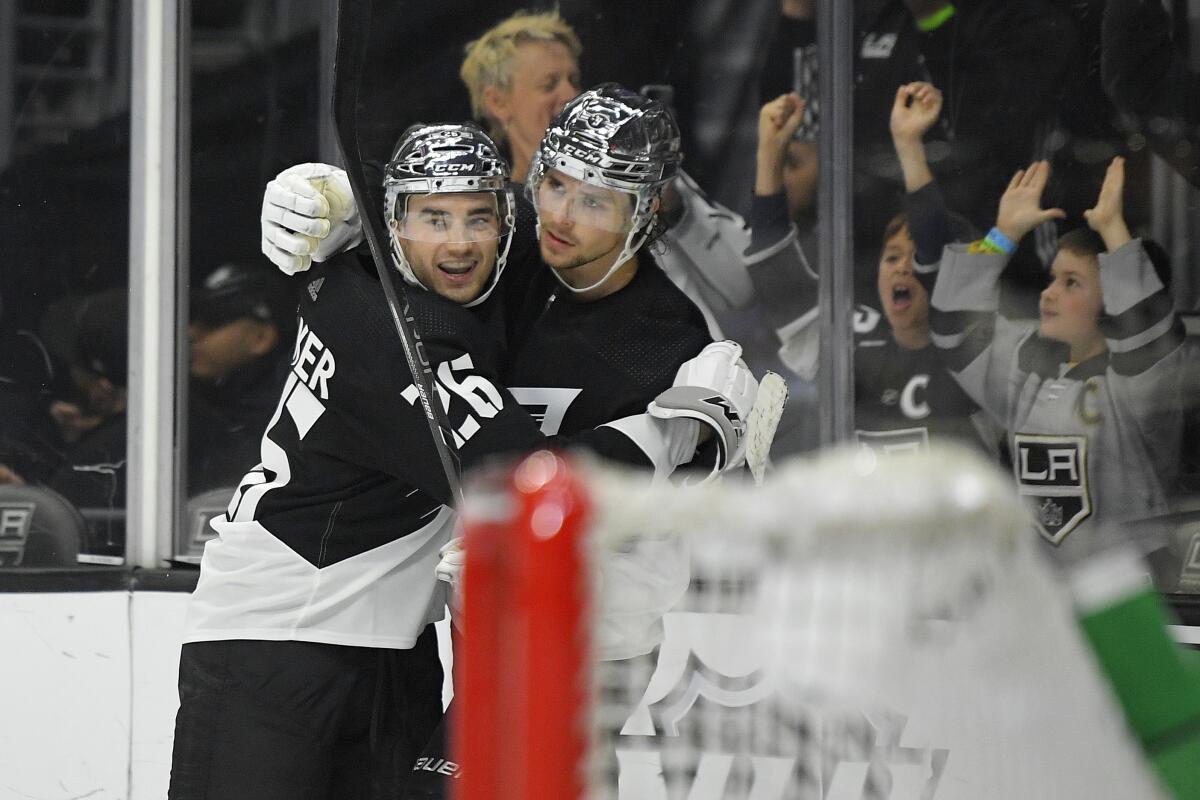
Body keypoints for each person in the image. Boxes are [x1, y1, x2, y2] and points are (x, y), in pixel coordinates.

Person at [173, 120, 754, 800]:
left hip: (394, 645)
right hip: (275, 641)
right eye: (433, 218)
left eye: (478, 217)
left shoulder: (411, 277)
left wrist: (348, 203)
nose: (458, 242)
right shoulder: (399, 335)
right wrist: (683, 428)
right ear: (394, 224)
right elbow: (533, 484)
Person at [929, 156, 1186, 563]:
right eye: (1052, 279)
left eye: (1072, 283)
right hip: (1044, 584)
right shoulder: (1028, 368)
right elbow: (952, 331)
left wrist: (1113, 230)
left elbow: (1145, 336)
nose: (1049, 294)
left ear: (1115, 302)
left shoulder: (1138, 385)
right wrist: (1003, 235)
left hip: (1132, 589)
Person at [187, 260, 297, 493]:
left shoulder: (285, 414)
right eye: (194, 319)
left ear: (261, 337)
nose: (192, 333)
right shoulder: (206, 404)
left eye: (213, 321)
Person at [44, 288, 130, 558]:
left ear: (102, 384)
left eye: (74, 367)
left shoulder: (97, 457)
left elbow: (49, 537)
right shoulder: (203, 427)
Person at [459, 9, 582, 183]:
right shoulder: (497, 208)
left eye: (574, 81)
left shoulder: (622, 190)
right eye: (549, 85)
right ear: (498, 102)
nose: (572, 95)